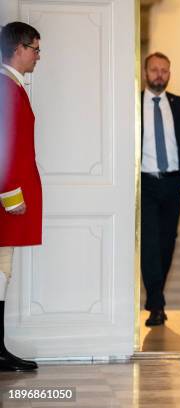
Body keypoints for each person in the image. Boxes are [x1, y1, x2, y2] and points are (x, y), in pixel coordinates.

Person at [140, 52, 180, 326]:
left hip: (173, 183)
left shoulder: (179, 104)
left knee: (167, 243)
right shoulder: (133, 102)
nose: (159, 75)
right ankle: (157, 303)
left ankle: (155, 296)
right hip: (143, 182)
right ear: (145, 72)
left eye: (164, 71)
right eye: (154, 70)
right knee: (149, 244)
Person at [0, 21, 42, 372]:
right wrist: (11, 195)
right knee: (0, 271)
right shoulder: (6, 87)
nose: (38, 56)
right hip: (4, 199)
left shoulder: (11, 85)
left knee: (3, 272)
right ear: (19, 47)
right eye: (35, 49)